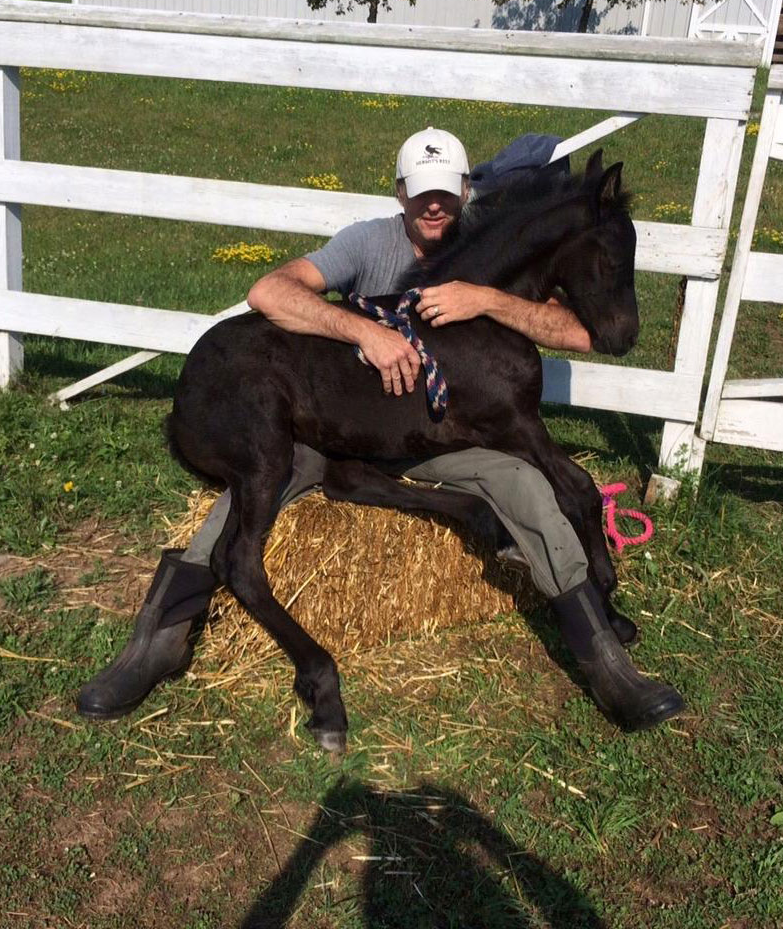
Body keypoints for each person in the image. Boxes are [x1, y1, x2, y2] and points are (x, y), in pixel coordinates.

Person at [77, 128, 684, 732]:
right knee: (243, 498)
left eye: (446, 192)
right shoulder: (368, 243)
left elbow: (584, 334)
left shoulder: (496, 248)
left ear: (466, 190)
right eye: (421, 194)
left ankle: (605, 658)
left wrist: (485, 301)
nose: (435, 206)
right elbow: (267, 292)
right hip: (343, 426)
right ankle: (157, 642)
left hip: (447, 435)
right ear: (400, 194)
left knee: (529, 487)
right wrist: (364, 331)